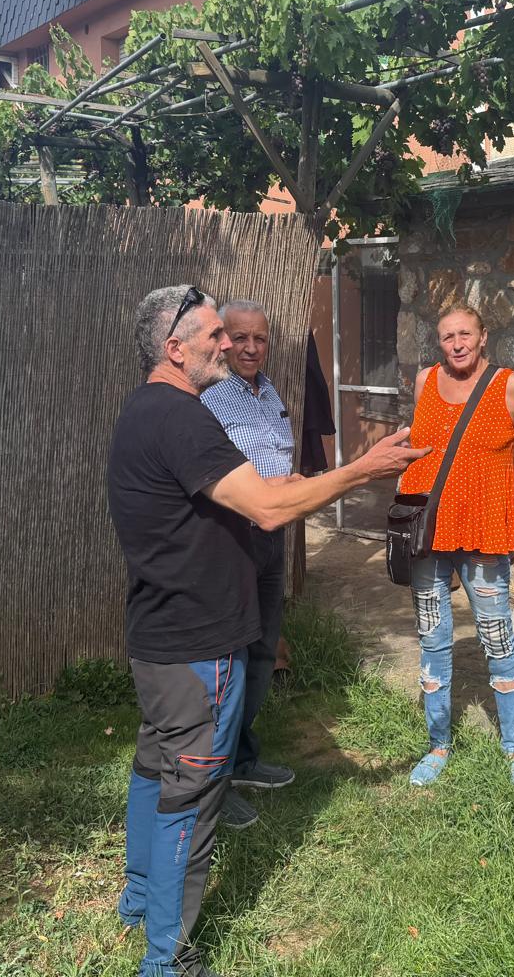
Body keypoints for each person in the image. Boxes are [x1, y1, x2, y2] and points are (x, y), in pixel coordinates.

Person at [106, 284, 426, 977]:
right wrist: (363, 469)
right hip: (197, 644)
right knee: (190, 796)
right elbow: (271, 508)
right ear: (174, 349)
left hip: (159, 635)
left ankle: (138, 899)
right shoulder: (182, 419)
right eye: (214, 335)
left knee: (155, 770)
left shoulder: (144, 410)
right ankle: (166, 958)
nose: (228, 344)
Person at [396, 303, 514, 788]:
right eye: (448, 337)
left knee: (498, 639)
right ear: (438, 343)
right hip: (430, 535)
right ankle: (438, 744)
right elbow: (420, 445)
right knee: (432, 639)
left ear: (483, 337)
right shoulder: (425, 383)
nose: (457, 343)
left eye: (466, 334)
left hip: (486, 534)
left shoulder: (510, 386)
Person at [199, 300, 296, 831]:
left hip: (271, 540)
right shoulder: (209, 399)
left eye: (260, 338)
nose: (252, 348)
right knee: (227, 662)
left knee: (261, 652)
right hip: (231, 541)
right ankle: (212, 785)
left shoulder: (270, 391)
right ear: (221, 340)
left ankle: (240, 759)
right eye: (241, 338)